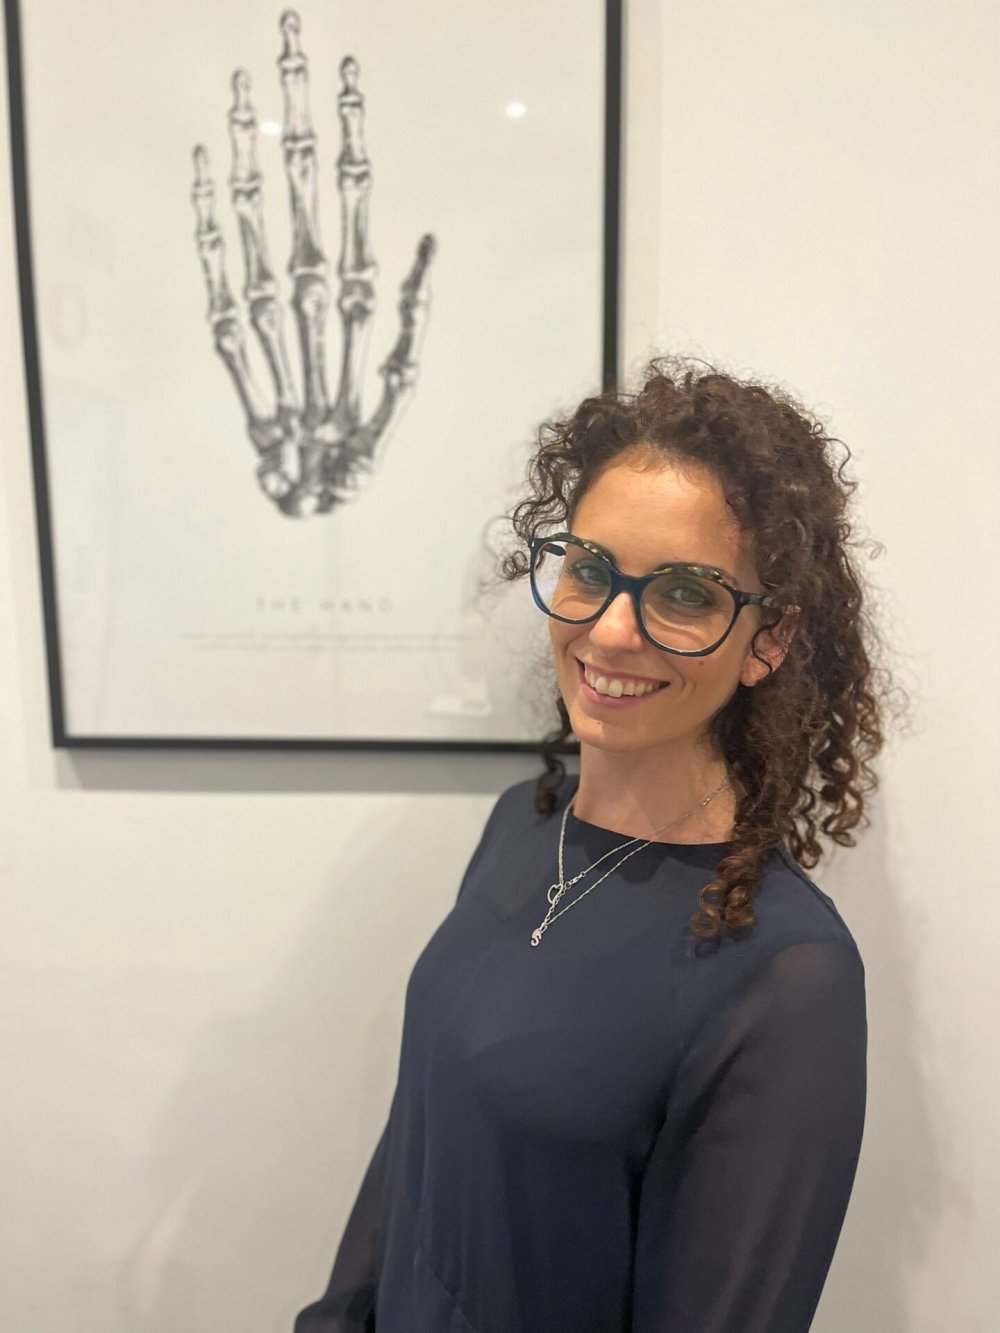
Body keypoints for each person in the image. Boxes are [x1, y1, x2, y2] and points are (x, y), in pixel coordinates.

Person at [292, 356, 906, 1332]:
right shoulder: (520, 828)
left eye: (686, 593)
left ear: (769, 639)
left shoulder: (788, 974)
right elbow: (418, 1140)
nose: (614, 631)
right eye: (589, 569)